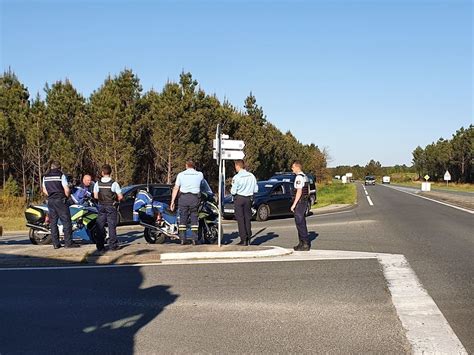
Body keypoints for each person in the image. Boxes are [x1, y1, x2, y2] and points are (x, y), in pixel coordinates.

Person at [42, 161, 79, 249]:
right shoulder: (61, 175)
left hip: (51, 201)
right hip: (60, 200)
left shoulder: (45, 177)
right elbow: (66, 189)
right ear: (59, 167)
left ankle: (55, 244)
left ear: (51, 167)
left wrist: (51, 195)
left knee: (53, 223)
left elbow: (44, 190)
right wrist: (66, 197)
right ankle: (68, 243)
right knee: (66, 221)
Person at [170, 159, 204, 245]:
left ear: (186, 165)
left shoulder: (181, 175)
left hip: (183, 198)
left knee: (183, 219)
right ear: (194, 166)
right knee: (194, 219)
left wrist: (172, 201)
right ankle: (194, 239)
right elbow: (202, 185)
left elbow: (176, 188)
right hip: (194, 198)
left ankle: (182, 239)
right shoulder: (200, 174)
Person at [94, 164, 123, 252]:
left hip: (101, 205)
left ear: (102, 173)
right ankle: (113, 245)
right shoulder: (114, 183)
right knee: (111, 226)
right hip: (111, 206)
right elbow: (120, 196)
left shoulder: (97, 183)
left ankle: (100, 246)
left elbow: (95, 196)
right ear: (110, 173)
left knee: (100, 226)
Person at [231, 160, 258, 246]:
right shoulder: (251, 176)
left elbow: (233, 191)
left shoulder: (237, 177)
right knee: (247, 219)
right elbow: (256, 189)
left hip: (239, 198)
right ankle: (249, 238)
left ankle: (243, 239)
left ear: (237, 166)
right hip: (248, 198)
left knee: (240, 219)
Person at [290, 161, 310, 251]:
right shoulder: (305, 176)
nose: (292, 169)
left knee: (300, 222)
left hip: (300, 201)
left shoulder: (299, 177)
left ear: (297, 167)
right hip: (305, 200)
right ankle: (302, 243)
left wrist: (294, 204)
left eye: (293, 167)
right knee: (301, 222)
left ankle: (304, 243)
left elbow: (299, 191)